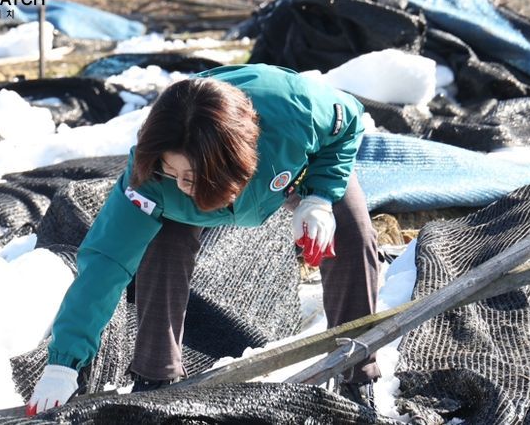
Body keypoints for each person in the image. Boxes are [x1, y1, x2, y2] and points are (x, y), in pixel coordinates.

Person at [26, 63, 380, 415]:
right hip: (213, 187)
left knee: (354, 234)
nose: (181, 185)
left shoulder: (295, 111)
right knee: (162, 242)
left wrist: (320, 196)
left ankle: (356, 373)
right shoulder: (151, 178)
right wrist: (63, 363)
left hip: (291, 171)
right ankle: (155, 377)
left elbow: (349, 121)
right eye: (172, 170)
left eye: (191, 176)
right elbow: (105, 263)